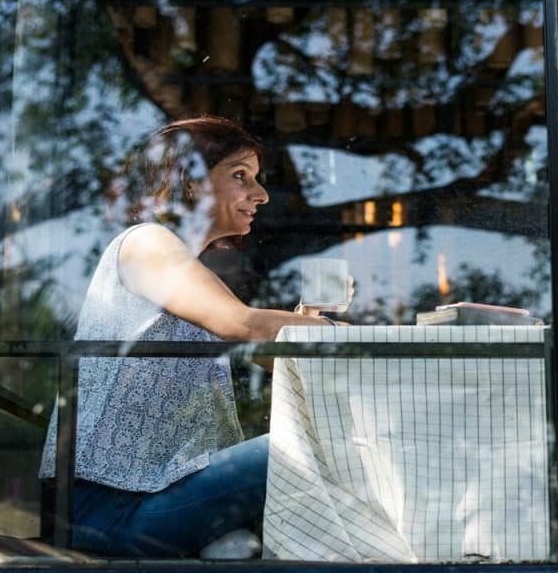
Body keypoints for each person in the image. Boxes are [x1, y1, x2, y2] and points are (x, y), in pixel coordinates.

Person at [38, 116, 347, 558]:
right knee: (323, 443)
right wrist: (364, 338)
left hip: (147, 500)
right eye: (241, 176)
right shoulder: (147, 243)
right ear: (189, 182)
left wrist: (308, 324)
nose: (259, 195)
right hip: (107, 510)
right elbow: (242, 325)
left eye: (256, 180)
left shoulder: (187, 273)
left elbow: (267, 351)